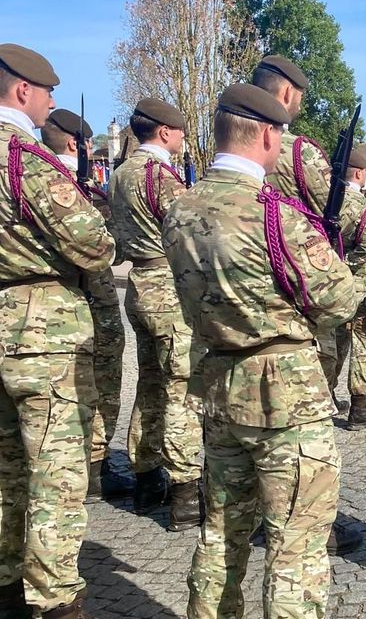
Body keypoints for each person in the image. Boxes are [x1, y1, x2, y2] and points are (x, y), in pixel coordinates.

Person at [163, 84, 358, 619]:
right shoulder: (277, 215)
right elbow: (340, 300)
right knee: (296, 546)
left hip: (217, 386)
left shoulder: (179, 210)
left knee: (221, 536)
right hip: (285, 393)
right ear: (269, 135)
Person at [0, 43, 116, 619]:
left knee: (4, 463)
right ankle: (53, 599)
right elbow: (94, 245)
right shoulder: (25, 157)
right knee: (56, 470)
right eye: (46, 92)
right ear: (23, 90)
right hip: (41, 325)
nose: (50, 102)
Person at [251, 55, 362, 554]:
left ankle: (254, 510)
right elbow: (352, 215)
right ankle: (311, 524)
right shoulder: (298, 153)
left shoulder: (234, 146)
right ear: (289, 95)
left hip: (246, 293)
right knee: (306, 419)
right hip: (302, 288)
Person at [109, 97, 203, 529]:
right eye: (181, 131)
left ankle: (146, 476)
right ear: (165, 132)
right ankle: (185, 490)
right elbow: (191, 233)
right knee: (179, 389)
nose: (183, 140)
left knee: (149, 383)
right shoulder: (161, 178)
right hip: (167, 287)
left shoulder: (120, 174)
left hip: (138, 286)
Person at [41, 109, 133, 501]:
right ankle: (93, 464)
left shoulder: (40, 175)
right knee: (100, 379)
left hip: (60, 302)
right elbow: (103, 248)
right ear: (71, 144)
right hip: (88, 297)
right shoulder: (61, 185)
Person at [316, 144, 366, 429]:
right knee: (363, 344)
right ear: (360, 174)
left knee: (334, 343)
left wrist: (335, 265)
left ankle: (325, 398)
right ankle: (360, 407)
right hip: (363, 284)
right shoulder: (365, 209)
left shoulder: (324, 204)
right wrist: (348, 263)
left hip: (332, 285)